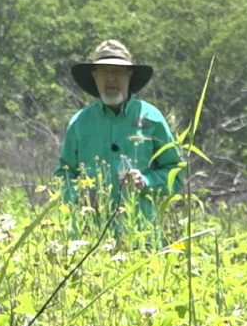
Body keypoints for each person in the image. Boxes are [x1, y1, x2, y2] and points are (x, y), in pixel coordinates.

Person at [55, 39, 184, 240]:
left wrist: (145, 181)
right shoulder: (79, 122)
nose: (111, 78)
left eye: (118, 71)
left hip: (141, 235)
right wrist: (81, 195)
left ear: (129, 75)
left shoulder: (151, 117)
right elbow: (63, 175)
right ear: (94, 76)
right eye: (105, 71)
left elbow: (175, 174)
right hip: (89, 237)